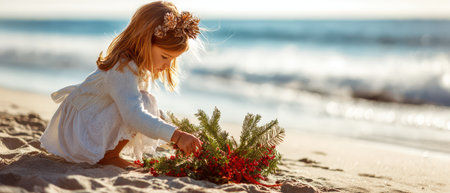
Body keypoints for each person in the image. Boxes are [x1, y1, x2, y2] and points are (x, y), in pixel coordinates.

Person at [40, 1, 203, 169]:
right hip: (79, 134)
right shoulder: (123, 67)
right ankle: (109, 156)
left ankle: (109, 154)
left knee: (145, 102)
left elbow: (141, 111)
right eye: (164, 56)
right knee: (144, 102)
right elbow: (134, 115)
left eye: (173, 59)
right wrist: (176, 136)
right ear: (145, 41)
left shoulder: (134, 64)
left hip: (85, 124)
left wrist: (178, 134)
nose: (168, 65)